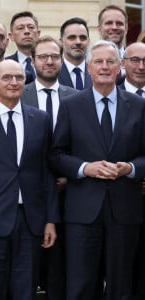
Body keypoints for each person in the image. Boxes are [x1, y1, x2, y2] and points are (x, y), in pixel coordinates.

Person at [50, 40, 145, 300]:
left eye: (110, 62)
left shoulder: (138, 106)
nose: (104, 67)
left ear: (120, 68)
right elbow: (56, 155)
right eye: (99, 62)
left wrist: (130, 168)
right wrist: (84, 168)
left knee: (121, 287)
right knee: (81, 286)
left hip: (125, 211)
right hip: (83, 212)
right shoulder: (71, 105)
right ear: (89, 68)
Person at [0, 59, 59, 300]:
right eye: (7, 77)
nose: (14, 82)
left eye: (19, 77)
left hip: (32, 219)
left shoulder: (40, 119)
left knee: (25, 289)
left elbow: (46, 173)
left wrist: (50, 220)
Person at [21, 35, 77, 299]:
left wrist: (69, 177)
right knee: (28, 269)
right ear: (32, 62)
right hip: (28, 195)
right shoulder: (18, 93)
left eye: (55, 56)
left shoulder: (77, 98)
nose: (49, 61)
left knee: (62, 268)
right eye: (42, 56)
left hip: (71, 195)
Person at [118, 42, 145, 300]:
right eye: (134, 60)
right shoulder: (108, 96)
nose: (141, 66)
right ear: (122, 64)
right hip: (119, 200)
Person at [58, 17, 92, 90]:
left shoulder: (97, 71)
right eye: (72, 37)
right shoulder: (53, 71)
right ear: (61, 41)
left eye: (83, 38)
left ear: (88, 41)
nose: (78, 42)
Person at [6, 11, 40, 84]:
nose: (27, 31)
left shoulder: (51, 62)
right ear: (11, 36)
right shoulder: (4, 64)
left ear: (38, 33)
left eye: (31, 27)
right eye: (20, 28)